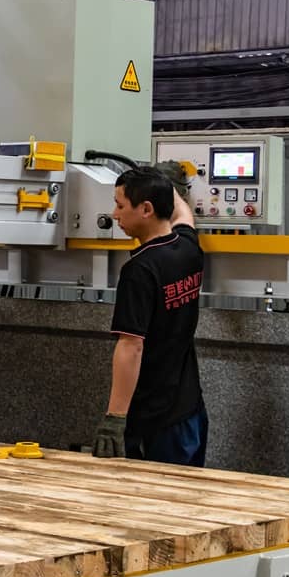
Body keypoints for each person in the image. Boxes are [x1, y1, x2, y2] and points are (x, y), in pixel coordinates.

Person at [92, 164, 208, 466]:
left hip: (154, 422)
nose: (115, 214)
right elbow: (184, 216)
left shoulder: (139, 270)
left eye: (120, 205)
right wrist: (164, 184)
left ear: (146, 209)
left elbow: (131, 346)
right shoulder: (188, 248)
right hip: (190, 411)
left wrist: (115, 418)